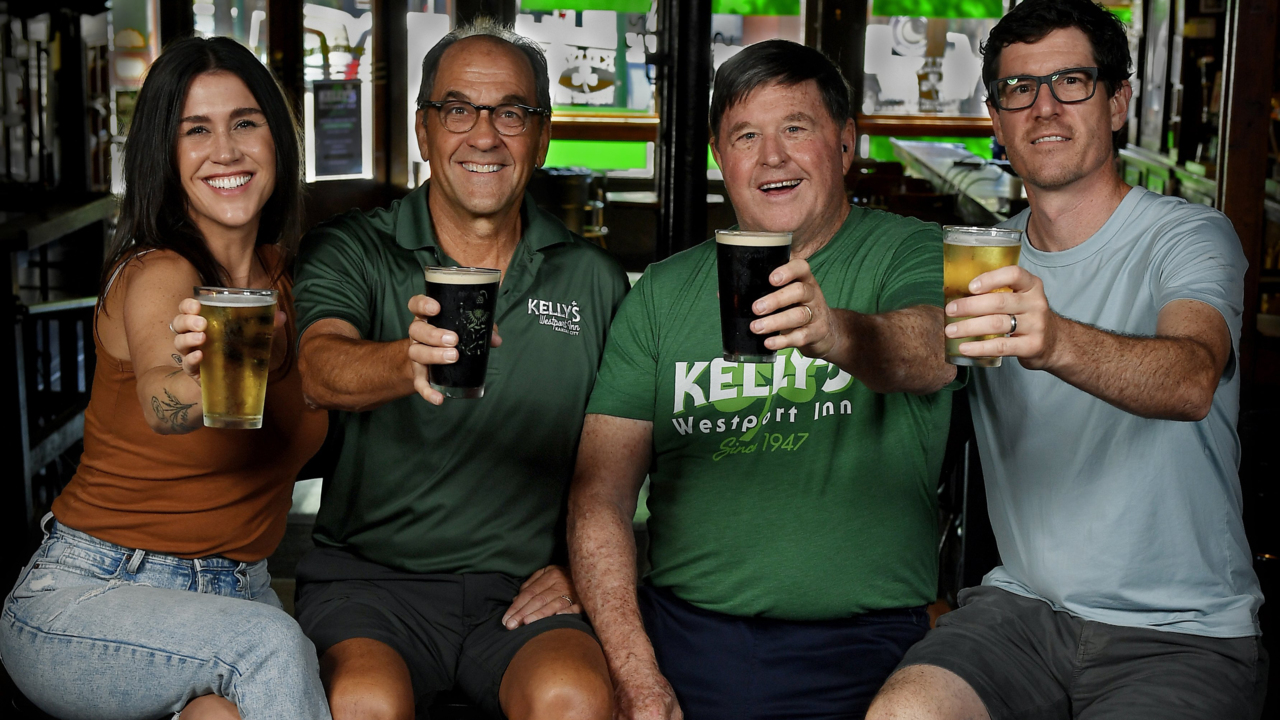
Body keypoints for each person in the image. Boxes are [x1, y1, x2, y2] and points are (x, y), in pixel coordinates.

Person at [867, 2, 1267, 719]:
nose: (1044, 106)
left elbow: (1192, 378)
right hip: (1020, 612)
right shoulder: (984, 257)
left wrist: (1053, 340)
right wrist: (835, 333)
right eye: (1019, 89)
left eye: (1071, 82)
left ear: (1116, 104)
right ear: (996, 120)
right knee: (904, 712)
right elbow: (920, 352)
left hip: (1182, 633)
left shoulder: (1191, 237)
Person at [568, 39, 958, 720]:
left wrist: (839, 334)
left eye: (795, 129)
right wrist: (636, 674)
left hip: (867, 644)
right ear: (723, 158)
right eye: (747, 135)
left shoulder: (911, 250)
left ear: (845, 145)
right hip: (686, 636)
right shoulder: (660, 295)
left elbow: (932, 351)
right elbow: (600, 495)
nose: (772, 156)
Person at [290, 18, 626, 720]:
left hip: (523, 589)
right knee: (363, 702)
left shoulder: (591, 279)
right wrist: (405, 358)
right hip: (371, 585)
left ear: (541, 134)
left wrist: (578, 571)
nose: (483, 135)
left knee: (576, 698)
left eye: (510, 112)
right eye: (457, 110)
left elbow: (627, 459)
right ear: (423, 130)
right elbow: (320, 367)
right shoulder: (355, 248)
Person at [0, 37, 330, 720]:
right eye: (196, 131)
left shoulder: (291, 281)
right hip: (93, 596)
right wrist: (206, 377)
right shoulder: (160, 273)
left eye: (245, 122)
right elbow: (160, 397)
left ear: (278, 138)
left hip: (231, 597)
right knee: (271, 648)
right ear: (165, 154)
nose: (227, 150)